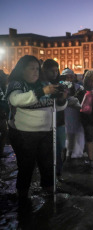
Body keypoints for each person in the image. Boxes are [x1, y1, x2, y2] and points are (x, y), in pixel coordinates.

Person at [6, 55, 67, 201]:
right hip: (23, 134)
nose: (35, 72)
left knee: (47, 165)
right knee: (26, 167)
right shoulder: (16, 84)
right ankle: (23, 198)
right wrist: (42, 92)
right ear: (22, 70)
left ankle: (49, 193)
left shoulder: (44, 84)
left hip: (46, 132)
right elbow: (16, 99)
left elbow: (56, 107)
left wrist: (62, 98)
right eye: (31, 68)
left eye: (37, 69)